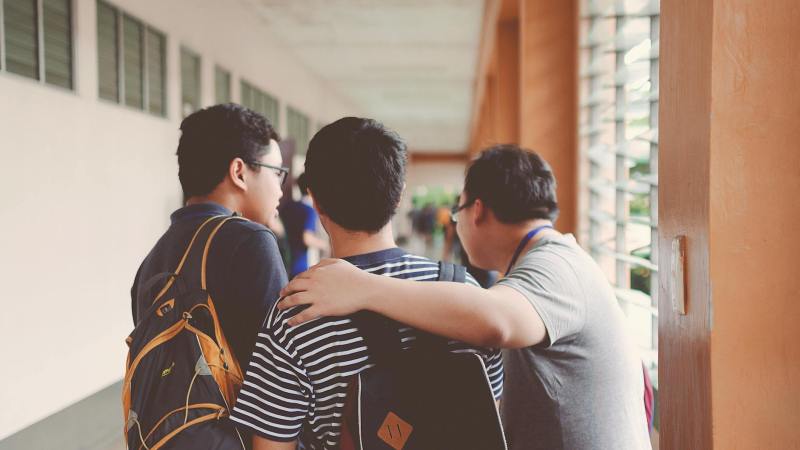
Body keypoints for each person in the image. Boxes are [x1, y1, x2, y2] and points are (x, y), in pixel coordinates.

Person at [279, 145, 652, 450]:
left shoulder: (557, 266)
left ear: (477, 210)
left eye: (457, 209)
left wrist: (363, 287)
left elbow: (496, 322)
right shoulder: (556, 260)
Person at [229, 117, 503, 450]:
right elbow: (491, 419)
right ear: (398, 195)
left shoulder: (295, 314)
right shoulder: (467, 298)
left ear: (315, 201)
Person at [131, 103, 288, 371]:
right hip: (240, 414)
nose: (280, 189)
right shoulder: (251, 241)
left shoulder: (154, 258)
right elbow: (281, 368)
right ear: (239, 172)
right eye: (276, 173)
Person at [280, 173, 329, 278]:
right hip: (300, 266)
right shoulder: (309, 211)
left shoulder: (287, 206)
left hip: (283, 261)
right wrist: (325, 245)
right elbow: (307, 238)